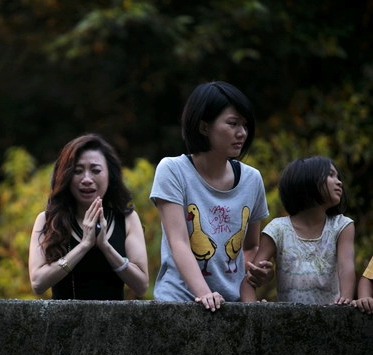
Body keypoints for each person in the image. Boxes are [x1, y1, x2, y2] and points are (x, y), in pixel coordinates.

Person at [150, 81, 271, 311]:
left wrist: (258, 270)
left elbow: (250, 247)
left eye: (245, 125)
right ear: (204, 126)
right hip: (178, 303)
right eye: (233, 123)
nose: (242, 133)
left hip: (231, 305)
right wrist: (205, 294)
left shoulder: (252, 179)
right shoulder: (173, 170)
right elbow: (179, 242)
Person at [28, 133, 149, 300]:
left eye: (95, 170)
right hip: (63, 323)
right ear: (66, 177)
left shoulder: (127, 219)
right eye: (77, 171)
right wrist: (84, 245)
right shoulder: (47, 220)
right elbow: (37, 283)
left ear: (109, 174)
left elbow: (141, 286)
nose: (86, 179)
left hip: (114, 323)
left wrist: (106, 247)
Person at [241, 156, 355, 304]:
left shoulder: (341, 226)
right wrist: (255, 314)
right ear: (306, 181)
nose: (339, 182)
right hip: (288, 322)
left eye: (338, 177)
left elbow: (346, 268)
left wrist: (345, 303)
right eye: (331, 175)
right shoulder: (278, 229)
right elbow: (249, 281)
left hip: (331, 321)